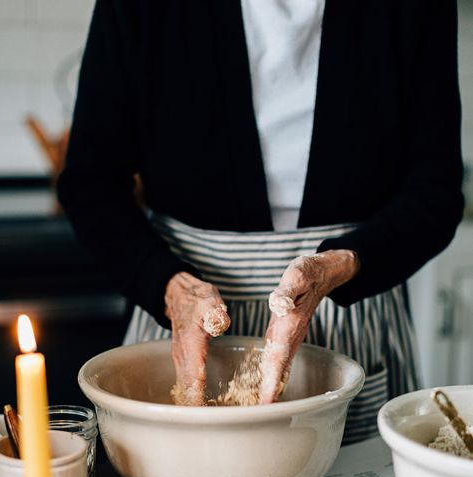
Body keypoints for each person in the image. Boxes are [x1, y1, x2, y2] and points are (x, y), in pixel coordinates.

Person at [58, 0, 463, 441]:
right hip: (180, 307)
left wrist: (335, 266)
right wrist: (173, 290)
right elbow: (91, 185)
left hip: (347, 315)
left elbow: (436, 193)